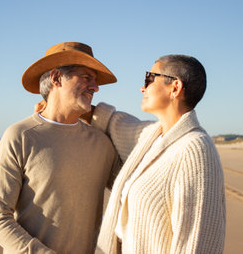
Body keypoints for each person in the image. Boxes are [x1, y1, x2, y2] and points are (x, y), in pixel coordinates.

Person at [0, 42, 119, 254]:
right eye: (86, 77)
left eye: (95, 80)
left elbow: (135, 190)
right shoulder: (20, 136)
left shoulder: (103, 144)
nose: (96, 87)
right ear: (56, 78)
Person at [91, 54, 226, 253]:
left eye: (149, 78)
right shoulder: (152, 136)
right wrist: (53, 109)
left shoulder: (195, 149)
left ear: (175, 88)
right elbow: (115, 123)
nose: (142, 87)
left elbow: (196, 241)